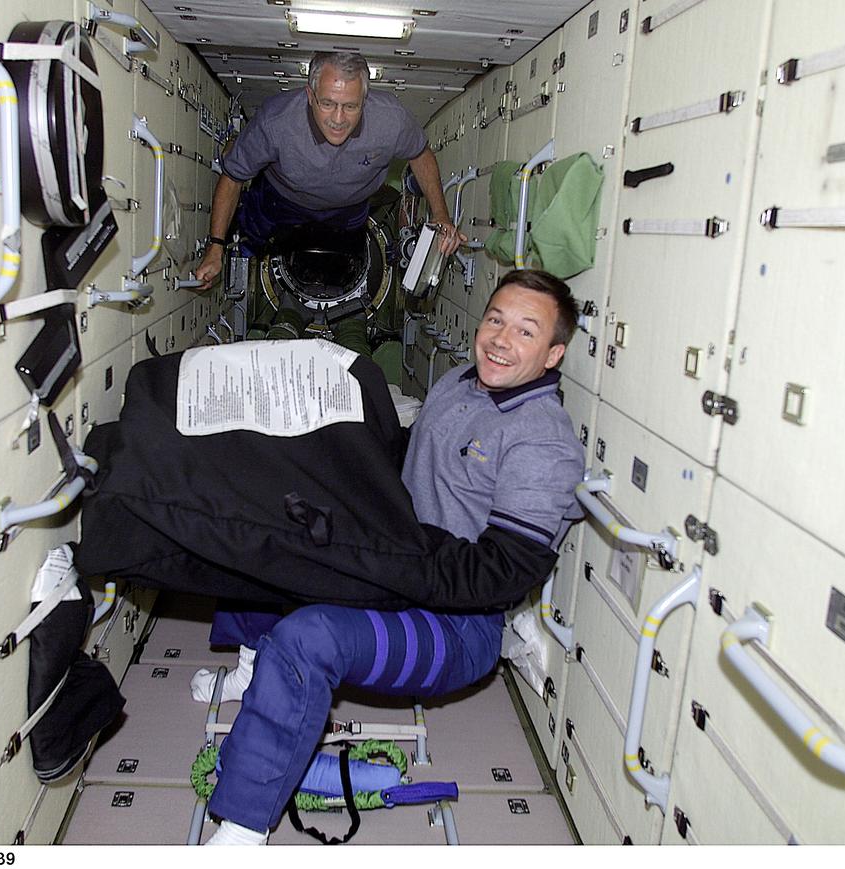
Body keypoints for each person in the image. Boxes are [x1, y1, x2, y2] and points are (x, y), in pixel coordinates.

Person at [199, 270, 585, 844]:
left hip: (456, 626)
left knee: (311, 638)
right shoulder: (464, 382)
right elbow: (410, 458)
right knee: (272, 528)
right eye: (496, 320)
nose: (501, 339)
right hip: (399, 563)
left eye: (526, 332)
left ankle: (241, 831)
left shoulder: (542, 441)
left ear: (552, 355)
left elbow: (504, 573)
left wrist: (387, 563)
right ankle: (255, 668)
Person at [194, 51, 465, 289]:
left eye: (350, 106)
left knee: (346, 250)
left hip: (350, 209)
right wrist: (215, 246)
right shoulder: (276, 122)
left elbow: (420, 153)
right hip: (282, 200)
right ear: (310, 95)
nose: (338, 119)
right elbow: (233, 177)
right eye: (328, 104)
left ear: (365, 99)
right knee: (252, 230)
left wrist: (441, 216)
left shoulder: (390, 119)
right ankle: (242, 248)